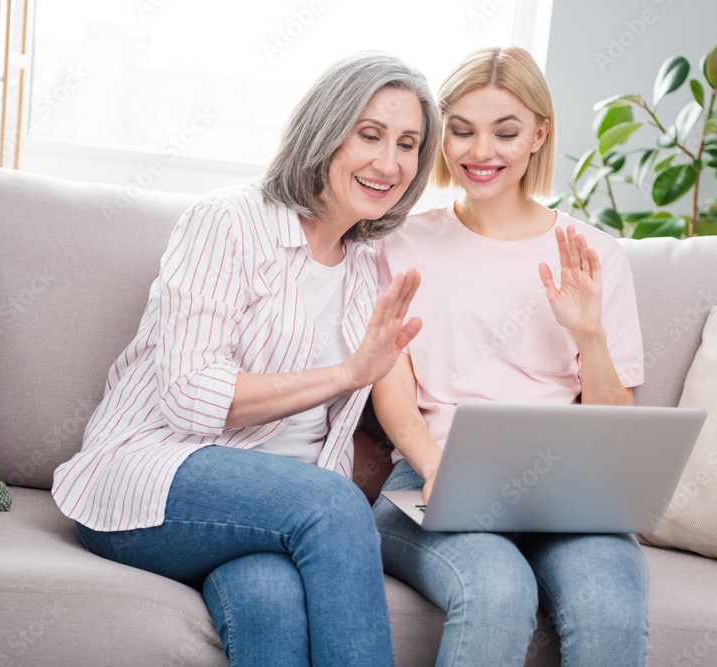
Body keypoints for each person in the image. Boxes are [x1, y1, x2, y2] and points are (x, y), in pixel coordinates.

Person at [51, 52, 438, 667]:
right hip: (153, 477)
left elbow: (392, 405)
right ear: (326, 130)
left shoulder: (370, 266)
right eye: (370, 135)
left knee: (271, 601)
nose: (389, 163)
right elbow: (190, 395)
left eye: (409, 144)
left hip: (267, 518)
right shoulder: (227, 222)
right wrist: (344, 376)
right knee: (330, 503)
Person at [371, 46, 649, 666]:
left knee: (609, 610)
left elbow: (616, 426)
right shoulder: (399, 240)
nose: (481, 152)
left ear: (539, 135)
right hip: (429, 477)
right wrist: (438, 468)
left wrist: (589, 334)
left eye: (506, 132)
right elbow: (392, 391)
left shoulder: (595, 254)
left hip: (566, 489)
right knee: (498, 590)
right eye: (461, 131)